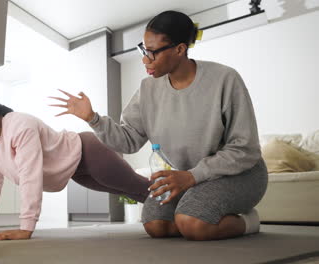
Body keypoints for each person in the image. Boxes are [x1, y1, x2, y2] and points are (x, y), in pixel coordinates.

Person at [50, 10, 268, 241]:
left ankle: (247, 222)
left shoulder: (225, 79)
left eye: (153, 52)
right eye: (144, 50)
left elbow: (245, 149)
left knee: (191, 224)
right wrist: (93, 118)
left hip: (239, 174)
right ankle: (205, 216)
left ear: (180, 49)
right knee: (156, 226)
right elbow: (129, 140)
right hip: (191, 178)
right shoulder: (148, 90)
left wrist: (193, 176)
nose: (145, 59)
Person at [0, 88, 150, 240]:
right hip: (76, 170)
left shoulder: (19, 125)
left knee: (139, 186)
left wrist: (26, 227)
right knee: (128, 191)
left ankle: (177, 199)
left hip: (89, 151)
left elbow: (30, 176)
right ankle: (169, 212)